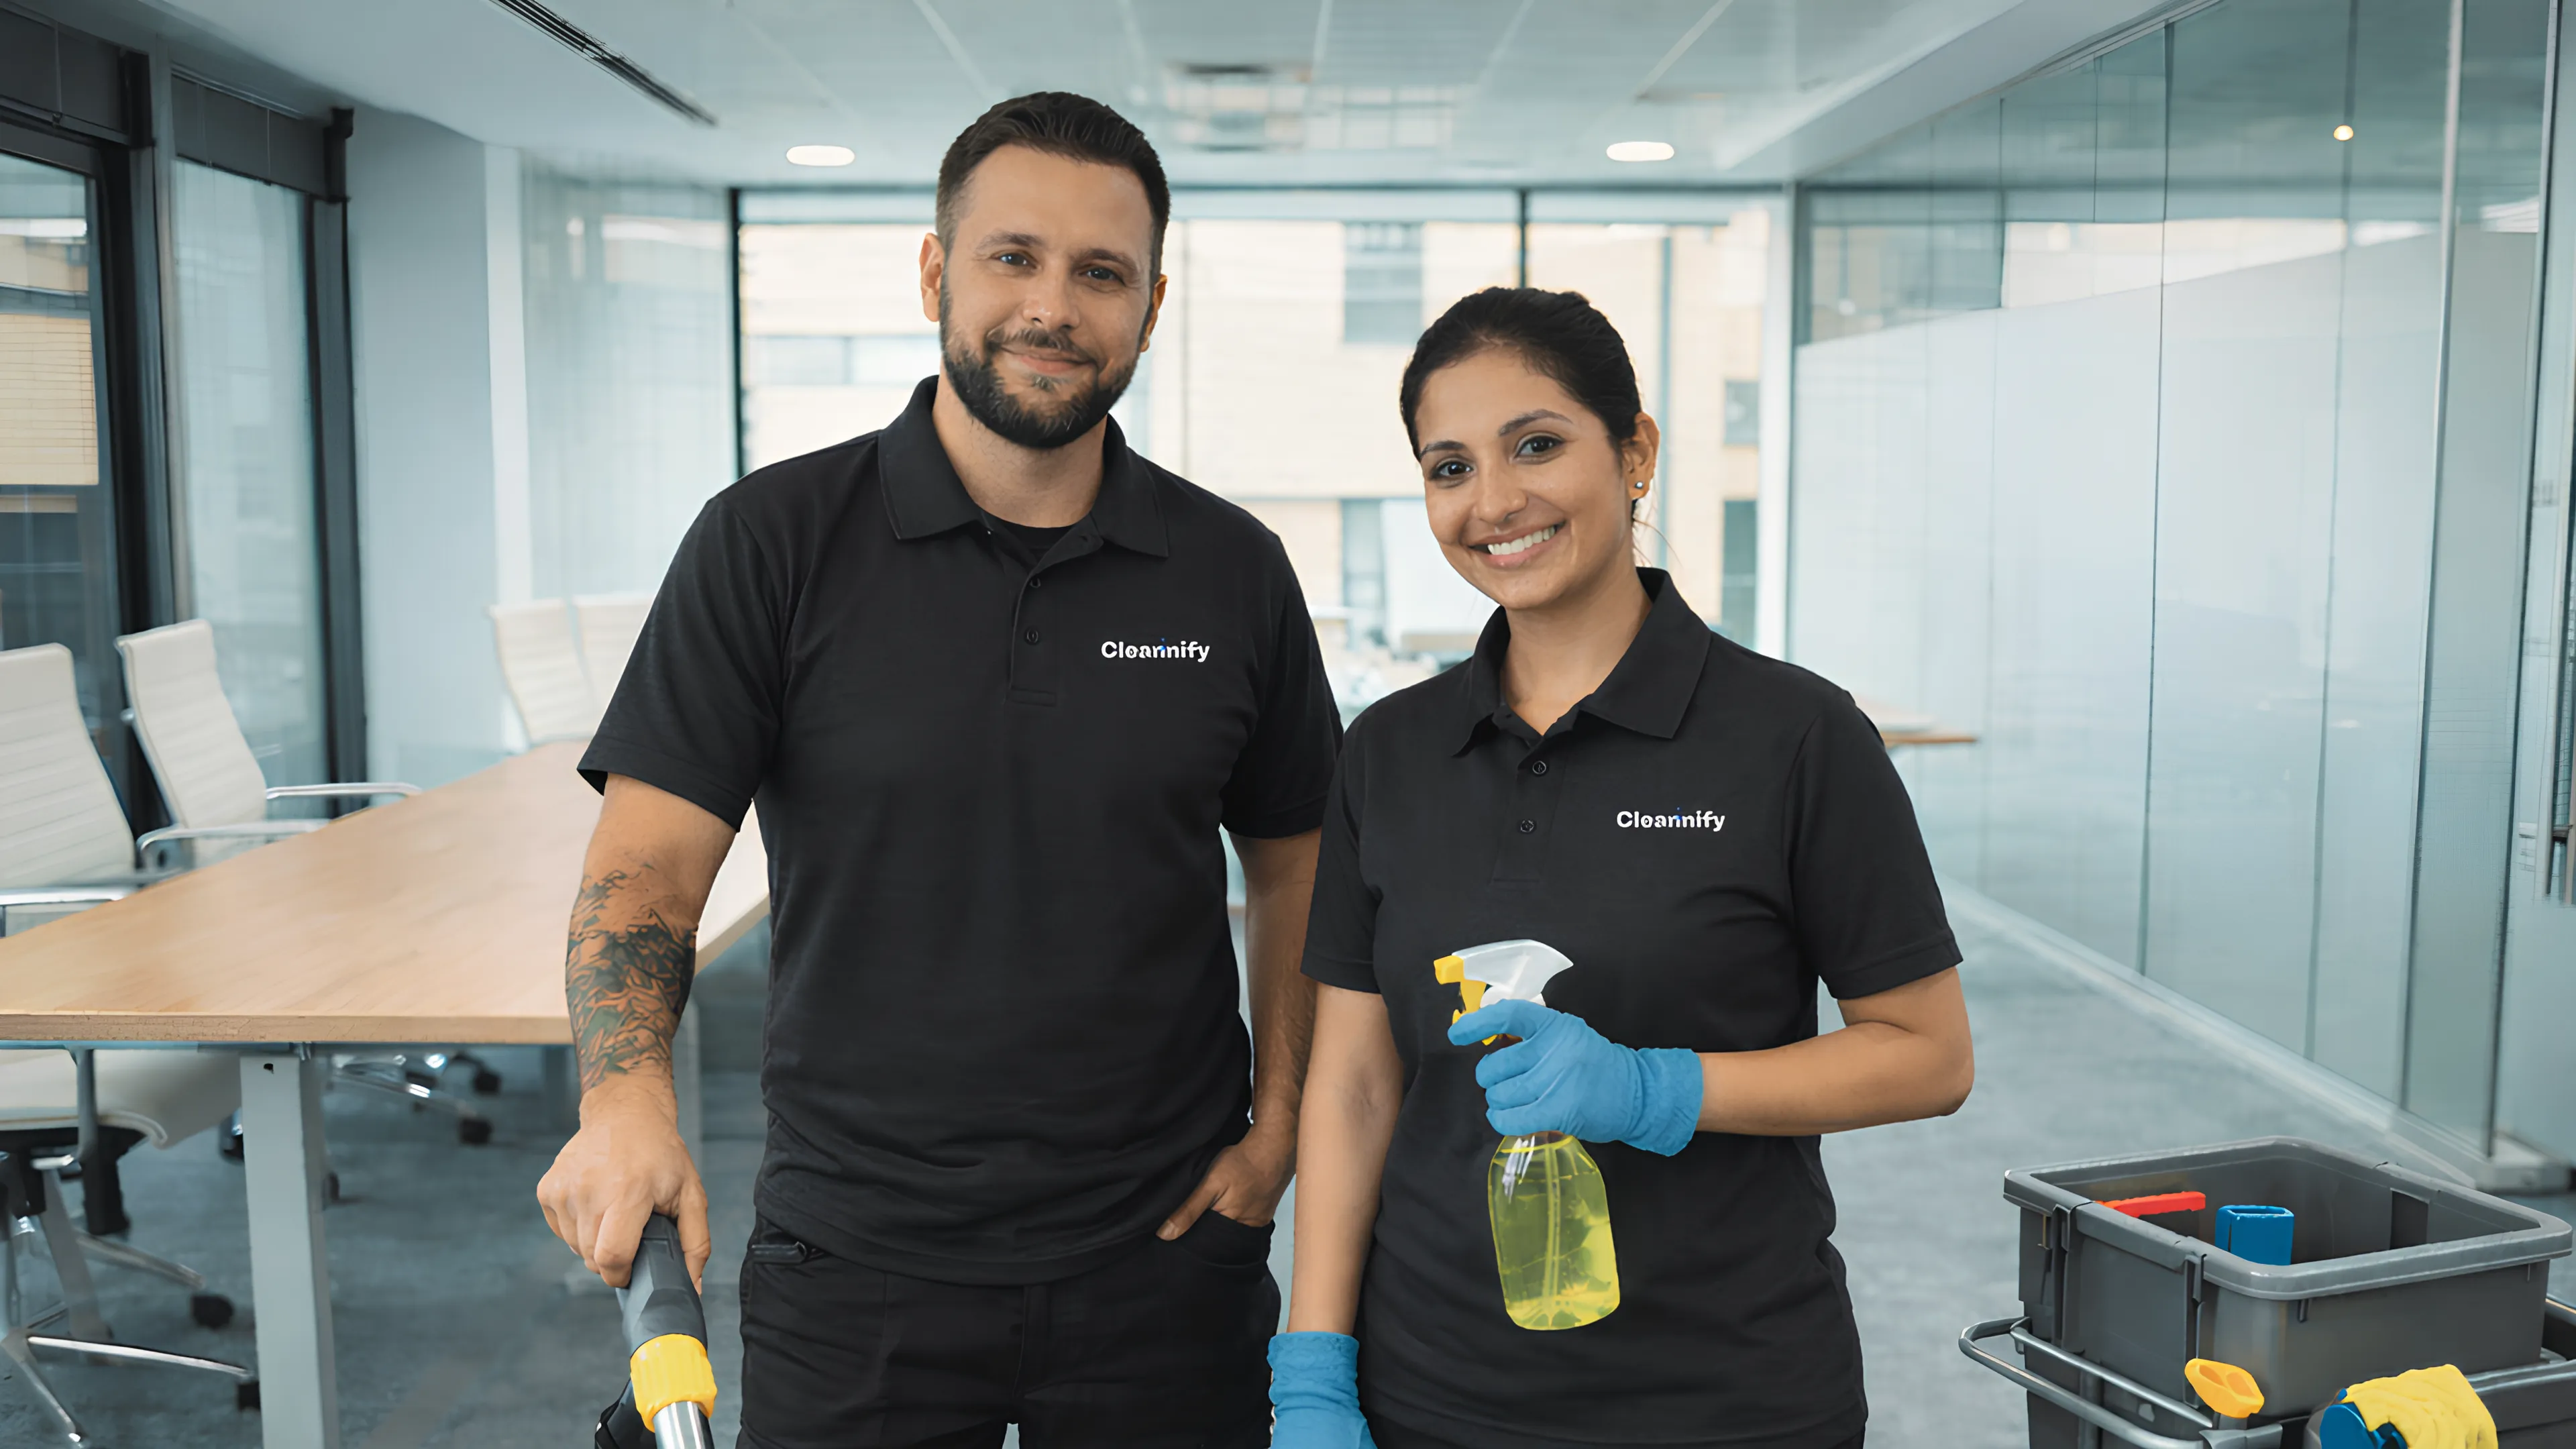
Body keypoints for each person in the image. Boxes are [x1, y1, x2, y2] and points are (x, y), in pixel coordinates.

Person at [535, 92, 1342, 1448]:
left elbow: (1300, 867)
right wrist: (622, 1101)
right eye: (1012, 258)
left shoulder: (1232, 569)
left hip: (1169, 1249)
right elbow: (645, 875)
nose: (1054, 307)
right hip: (857, 1259)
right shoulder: (769, 543)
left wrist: (1281, 1128)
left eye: (1103, 273)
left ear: (1151, 307)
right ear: (935, 274)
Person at [1268, 288, 1976, 1449]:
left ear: (1635, 452)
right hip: (1432, 1389)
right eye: (1450, 468)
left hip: (1725, 1396)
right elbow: (1353, 1087)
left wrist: (1660, 1092)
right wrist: (1313, 1368)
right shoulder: (1389, 754)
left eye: (1536, 445)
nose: (1494, 502)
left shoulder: (1796, 738)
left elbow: (1928, 1056)